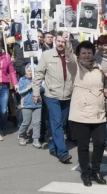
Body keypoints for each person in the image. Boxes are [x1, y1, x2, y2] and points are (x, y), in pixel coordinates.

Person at [68, 40, 107, 186]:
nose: (86, 55)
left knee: (99, 143)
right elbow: (68, 56)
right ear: (78, 54)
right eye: (83, 53)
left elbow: (104, 83)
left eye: (89, 52)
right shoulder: (75, 67)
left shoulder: (99, 67)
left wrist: (106, 89)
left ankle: (95, 171)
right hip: (81, 112)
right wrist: (67, 39)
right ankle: (85, 173)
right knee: (83, 145)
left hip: (99, 111)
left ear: (93, 53)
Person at [32, 32, 75, 164]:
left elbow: (75, 71)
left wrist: (69, 53)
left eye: (64, 41)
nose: (61, 43)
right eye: (59, 41)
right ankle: (62, 153)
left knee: (61, 123)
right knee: (56, 123)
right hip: (52, 95)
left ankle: (52, 145)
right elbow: (39, 74)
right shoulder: (47, 55)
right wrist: (36, 92)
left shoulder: (71, 57)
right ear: (55, 41)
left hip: (67, 95)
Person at [16, 64, 43, 148]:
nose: (30, 73)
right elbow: (20, 91)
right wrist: (29, 86)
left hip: (37, 104)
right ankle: (21, 135)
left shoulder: (38, 79)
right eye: (28, 71)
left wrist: (36, 85)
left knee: (37, 122)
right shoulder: (22, 79)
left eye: (32, 71)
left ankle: (36, 139)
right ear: (25, 71)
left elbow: (43, 89)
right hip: (26, 105)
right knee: (26, 122)